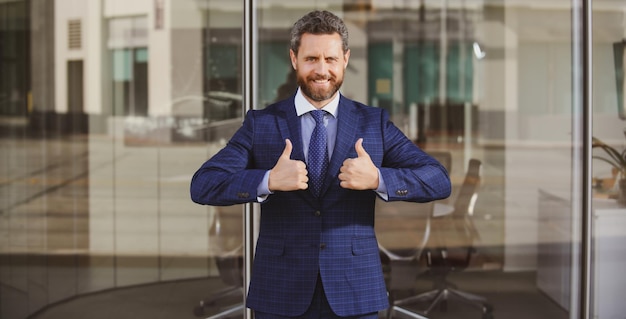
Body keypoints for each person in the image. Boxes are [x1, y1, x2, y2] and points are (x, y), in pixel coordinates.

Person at [190, 10, 451, 319]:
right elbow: (203, 184)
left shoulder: (373, 123)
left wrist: (379, 178)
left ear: (345, 59)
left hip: (354, 289)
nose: (321, 70)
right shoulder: (262, 124)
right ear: (294, 59)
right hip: (280, 289)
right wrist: (267, 181)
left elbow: (438, 179)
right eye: (311, 59)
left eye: (330, 59)